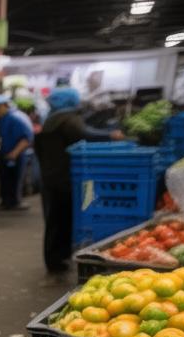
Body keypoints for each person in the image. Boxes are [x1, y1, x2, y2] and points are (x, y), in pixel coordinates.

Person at [33, 86, 123, 275]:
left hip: (52, 176)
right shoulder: (67, 119)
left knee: (56, 219)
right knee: (59, 219)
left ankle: (57, 257)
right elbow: (85, 134)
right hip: (62, 178)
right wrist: (110, 135)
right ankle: (55, 260)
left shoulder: (53, 118)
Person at [0, 93, 35, 210]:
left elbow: (26, 138)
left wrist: (15, 153)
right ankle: (6, 202)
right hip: (4, 154)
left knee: (15, 179)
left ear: (2, 106)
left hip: (15, 155)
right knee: (5, 180)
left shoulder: (15, 118)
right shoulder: (2, 119)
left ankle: (15, 202)